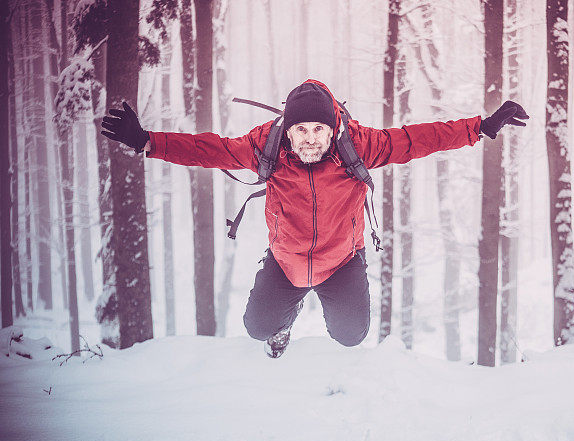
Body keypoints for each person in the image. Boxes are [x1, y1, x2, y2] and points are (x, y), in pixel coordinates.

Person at [101, 79, 528, 357]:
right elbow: (210, 149)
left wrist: (481, 127)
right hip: (286, 260)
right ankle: (281, 329)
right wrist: (147, 141)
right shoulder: (264, 147)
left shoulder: (359, 146)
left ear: (332, 129)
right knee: (256, 327)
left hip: (341, 260)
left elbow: (417, 139)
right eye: (301, 130)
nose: (310, 139)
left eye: (318, 130)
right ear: (287, 129)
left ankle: (330, 311)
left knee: (350, 336)